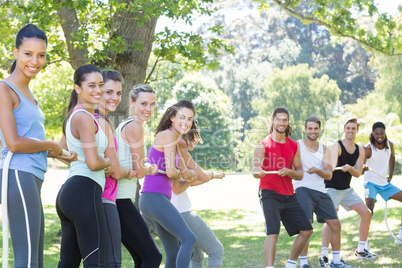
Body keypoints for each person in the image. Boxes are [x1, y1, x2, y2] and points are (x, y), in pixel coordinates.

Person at [0, 24, 71, 268]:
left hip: (32, 175)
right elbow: (14, 143)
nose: (35, 61)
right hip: (17, 174)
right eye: (28, 53)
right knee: (27, 258)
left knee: (36, 260)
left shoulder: (29, 93)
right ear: (16, 52)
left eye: (41, 55)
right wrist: (51, 145)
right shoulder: (3, 88)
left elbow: (33, 140)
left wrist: (59, 152)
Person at [56, 64, 113, 267]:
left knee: (68, 264)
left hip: (71, 193)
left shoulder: (77, 115)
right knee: (94, 262)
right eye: (91, 85)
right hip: (84, 191)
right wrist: (108, 163)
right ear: (77, 88)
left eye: (100, 85)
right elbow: (93, 163)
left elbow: (58, 151)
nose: (98, 90)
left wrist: (73, 157)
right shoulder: (84, 117)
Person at [139, 100, 206, 268]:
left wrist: (185, 173)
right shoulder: (168, 135)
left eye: (190, 119)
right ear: (172, 117)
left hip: (155, 199)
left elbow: (182, 173)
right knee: (189, 239)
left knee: (173, 253)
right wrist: (181, 173)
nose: (186, 122)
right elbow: (171, 172)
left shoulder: (175, 140)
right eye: (182, 117)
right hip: (154, 198)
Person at [252, 107, 313, 268]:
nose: (282, 123)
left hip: (289, 194)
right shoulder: (262, 145)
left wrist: (289, 172)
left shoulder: (294, 145)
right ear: (272, 121)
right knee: (273, 233)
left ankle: (291, 264)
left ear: (288, 122)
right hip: (269, 192)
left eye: (285, 120)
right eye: (278, 119)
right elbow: (255, 172)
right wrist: (258, 171)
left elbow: (300, 173)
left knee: (307, 230)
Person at [295, 117, 354, 268]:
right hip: (302, 188)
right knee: (306, 226)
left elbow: (328, 174)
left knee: (335, 224)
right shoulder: (297, 146)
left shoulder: (325, 149)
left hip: (321, 191)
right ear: (305, 129)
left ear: (319, 129)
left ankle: (335, 261)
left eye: (315, 128)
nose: (313, 131)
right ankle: (303, 263)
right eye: (310, 128)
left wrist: (318, 170)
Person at [115, 84, 162, 267]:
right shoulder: (135, 127)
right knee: (153, 256)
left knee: (141, 258)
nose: (148, 109)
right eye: (143, 103)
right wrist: (150, 168)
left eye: (152, 104)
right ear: (131, 103)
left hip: (121, 199)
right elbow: (140, 170)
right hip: (121, 200)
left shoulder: (124, 125)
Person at [95, 70, 137, 267]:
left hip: (100, 197)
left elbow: (65, 149)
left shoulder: (94, 118)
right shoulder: (101, 121)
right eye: (109, 92)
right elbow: (118, 172)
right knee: (112, 261)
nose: (115, 98)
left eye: (119, 93)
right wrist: (130, 171)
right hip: (104, 198)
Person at [322, 117, 376, 263]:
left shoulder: (360, 150)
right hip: (332, 188)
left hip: (346, 190)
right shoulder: (337, 146)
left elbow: (358, 173)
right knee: (331, 220)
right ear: (344, 129)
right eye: (348, 128)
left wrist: (351, 169)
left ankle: (361, 250)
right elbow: (331, 167)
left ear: (357, 131)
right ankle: (324, 255)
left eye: (353, 129)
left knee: (366, 213)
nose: (350, 131)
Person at [171, 136, 225, 268]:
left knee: (197, 255)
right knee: (216, 250)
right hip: (181, 211)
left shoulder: (176, 150)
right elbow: (177, 188)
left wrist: (211, 175)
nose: (194, 143)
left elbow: (195, 179)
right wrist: (206, 176)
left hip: (175, 210)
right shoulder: (174, 152)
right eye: (193, 139)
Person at [363, 121, 402, 245]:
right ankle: (364, 242)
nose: (379, 136)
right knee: (369, 210)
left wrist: (390, 175)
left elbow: (392, 157)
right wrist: (363, 167)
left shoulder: (390, 145)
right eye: (376, 134)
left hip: (385, 184)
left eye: (382, 133)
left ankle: (400, 236)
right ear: (373, 134)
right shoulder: (368, 148)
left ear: (385, 133)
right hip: (370, 183)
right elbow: (361, 166)